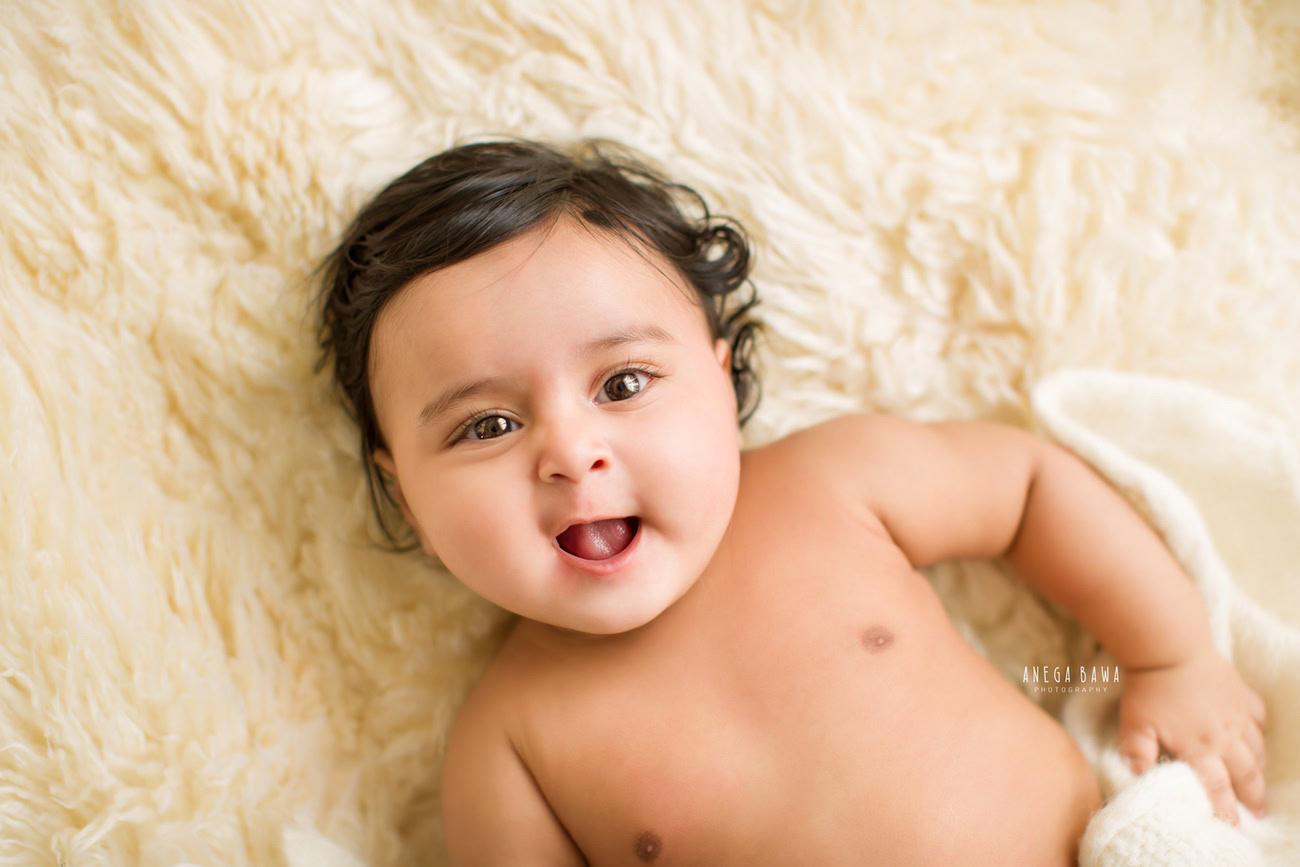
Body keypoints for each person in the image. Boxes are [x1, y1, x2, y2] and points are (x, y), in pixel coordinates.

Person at [314, 138, 1268, 865]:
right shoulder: (510, 745)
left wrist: (1168, 653)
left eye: (622, 383)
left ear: (721, 386)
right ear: (407, 493)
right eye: (485, 427)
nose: (571, 453)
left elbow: (1025, 486)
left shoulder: (828, 485)